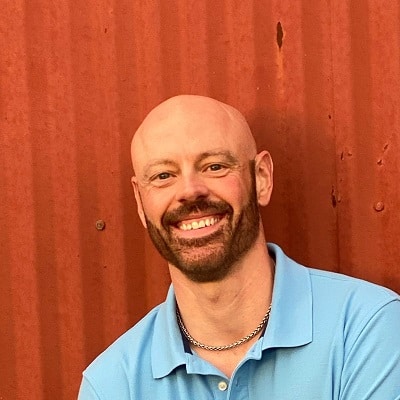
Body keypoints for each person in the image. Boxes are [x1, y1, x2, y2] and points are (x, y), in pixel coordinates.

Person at [78, 95, 400, 399]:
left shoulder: (365, 328)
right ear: (140, 201)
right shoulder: (112, 384)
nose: (190, 191)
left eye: (214, 166)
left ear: (261, 178)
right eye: (164, 175)